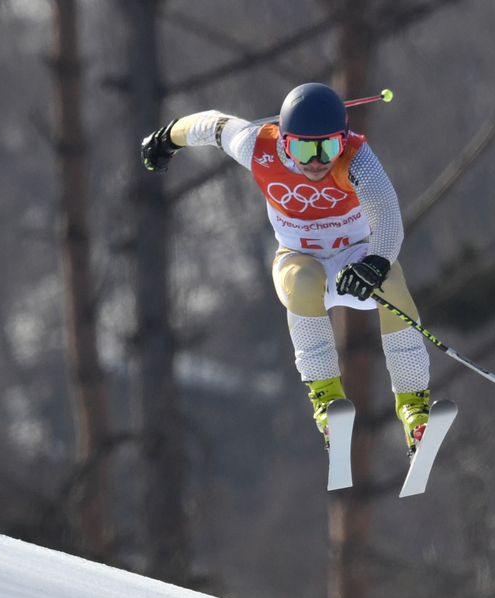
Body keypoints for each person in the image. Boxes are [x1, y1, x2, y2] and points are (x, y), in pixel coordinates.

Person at [140, 83, 431, 454]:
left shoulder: (355, 158)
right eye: (302, 148)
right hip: (297, 257)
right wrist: (168, 138)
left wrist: (375, 263)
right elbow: (212, 125)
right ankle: (328, 405)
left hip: (353, 261)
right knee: (305, 281)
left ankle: (413, 410)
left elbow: (387, 214)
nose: (316, 161)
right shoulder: (258, 146)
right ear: (284, 140)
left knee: (392, 281)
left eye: (327, 147)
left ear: (342, 139)